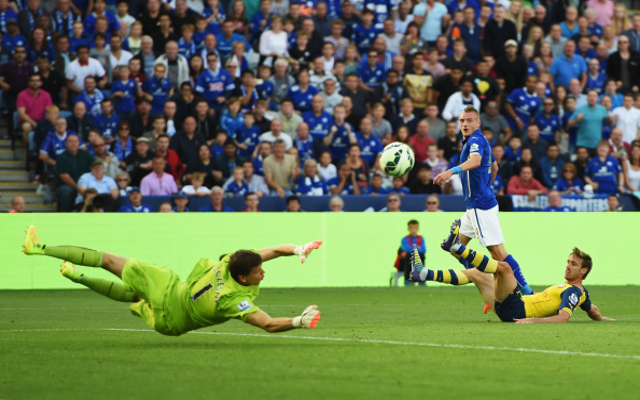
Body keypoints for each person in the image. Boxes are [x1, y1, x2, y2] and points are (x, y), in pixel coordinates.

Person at [22, 226, 322, 333]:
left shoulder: (231, 261)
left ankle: (49, 255)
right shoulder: (232, 298)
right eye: (258, 272)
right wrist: (298, 321)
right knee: (126, 283)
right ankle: (56, 261)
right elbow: (268, 324)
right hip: (173, 316)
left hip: (172, 298)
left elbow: (273, 251)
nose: (263, 272)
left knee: (131, 289)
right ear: (242, 277)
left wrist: (298, 249)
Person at [411, 224, 614, 323]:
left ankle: (457, 247)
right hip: (510, 310)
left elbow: (562, 318)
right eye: (568, 261)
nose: (568, 266)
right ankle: (424, 274)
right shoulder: (581, 294)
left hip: (519, 310)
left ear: (584, 270)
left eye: (574, 264)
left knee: (505, 268)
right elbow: (592, 311)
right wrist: (605, 320)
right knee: (476, 274)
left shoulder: (573, 292)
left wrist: (532, 320)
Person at [434, 105, 533, 295]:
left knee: (498, 254)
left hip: (480, 207)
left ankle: (528, 294)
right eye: (462, 120)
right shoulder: (479, 140)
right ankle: (488, 280)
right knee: (453, 247)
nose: (464, 124)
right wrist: (486, 186)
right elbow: (494, 167)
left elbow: (476, 161)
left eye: (469, 120)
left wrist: (450, 172)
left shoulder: (476, 141)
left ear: (478, 122)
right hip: (475, 206)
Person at [55, 134, 95, 212]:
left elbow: (96, 164)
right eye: (71, 142)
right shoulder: (62, 157)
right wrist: (78, 188)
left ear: (79, 144)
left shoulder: (85, 154)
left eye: (75, 141)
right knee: (66, 191)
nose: (73, 144)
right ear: (66, 143)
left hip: (85, 184)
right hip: (68, 186)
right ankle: (67, 216)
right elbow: (64, 176)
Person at [397, 219, 425, 286]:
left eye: (415, 228)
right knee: (409, 256)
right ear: (408, 229)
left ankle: (422, 279)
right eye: (411, 228)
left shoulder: (421, 238)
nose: (413, 230)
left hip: (417, 259)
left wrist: (413, 248)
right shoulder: (405, 239)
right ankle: (407, 279)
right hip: (405, 262)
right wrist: (417, 247)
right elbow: (407, 249)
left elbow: (423, 250)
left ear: (418, 229)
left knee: (421, 255)